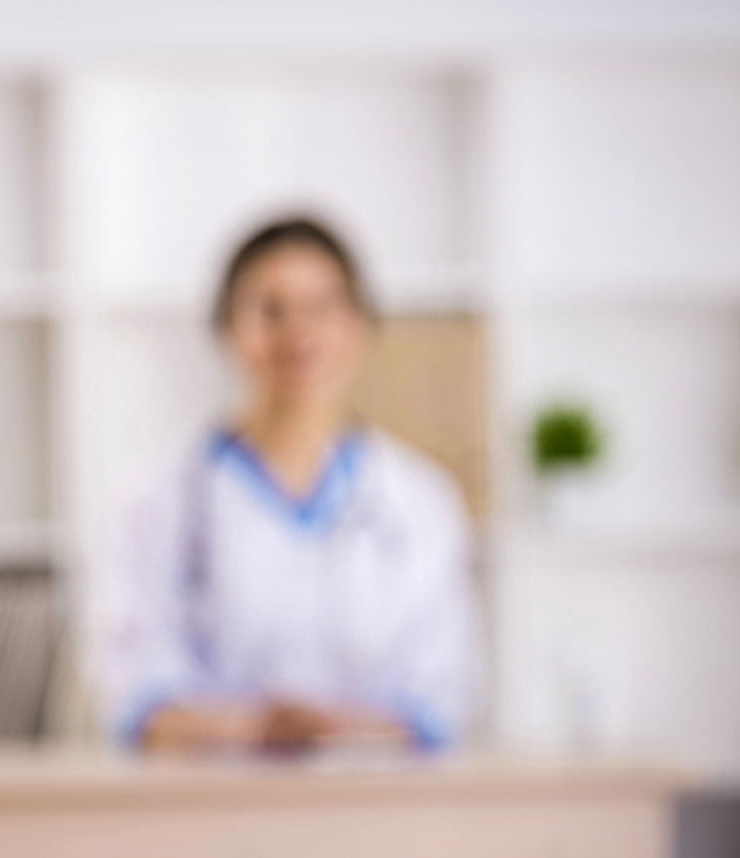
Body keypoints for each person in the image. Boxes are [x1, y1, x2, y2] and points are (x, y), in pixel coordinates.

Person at [102, 217, 481, 754]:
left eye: (324, 307)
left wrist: (333, 731)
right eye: (269, 310)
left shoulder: (420, 500)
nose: (298, 334)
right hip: (208, 812)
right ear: (226, 329)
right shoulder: (155, 499)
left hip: (376, 805)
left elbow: (442, 699)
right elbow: (133, 697)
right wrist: (251, 729)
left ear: (361, 326)